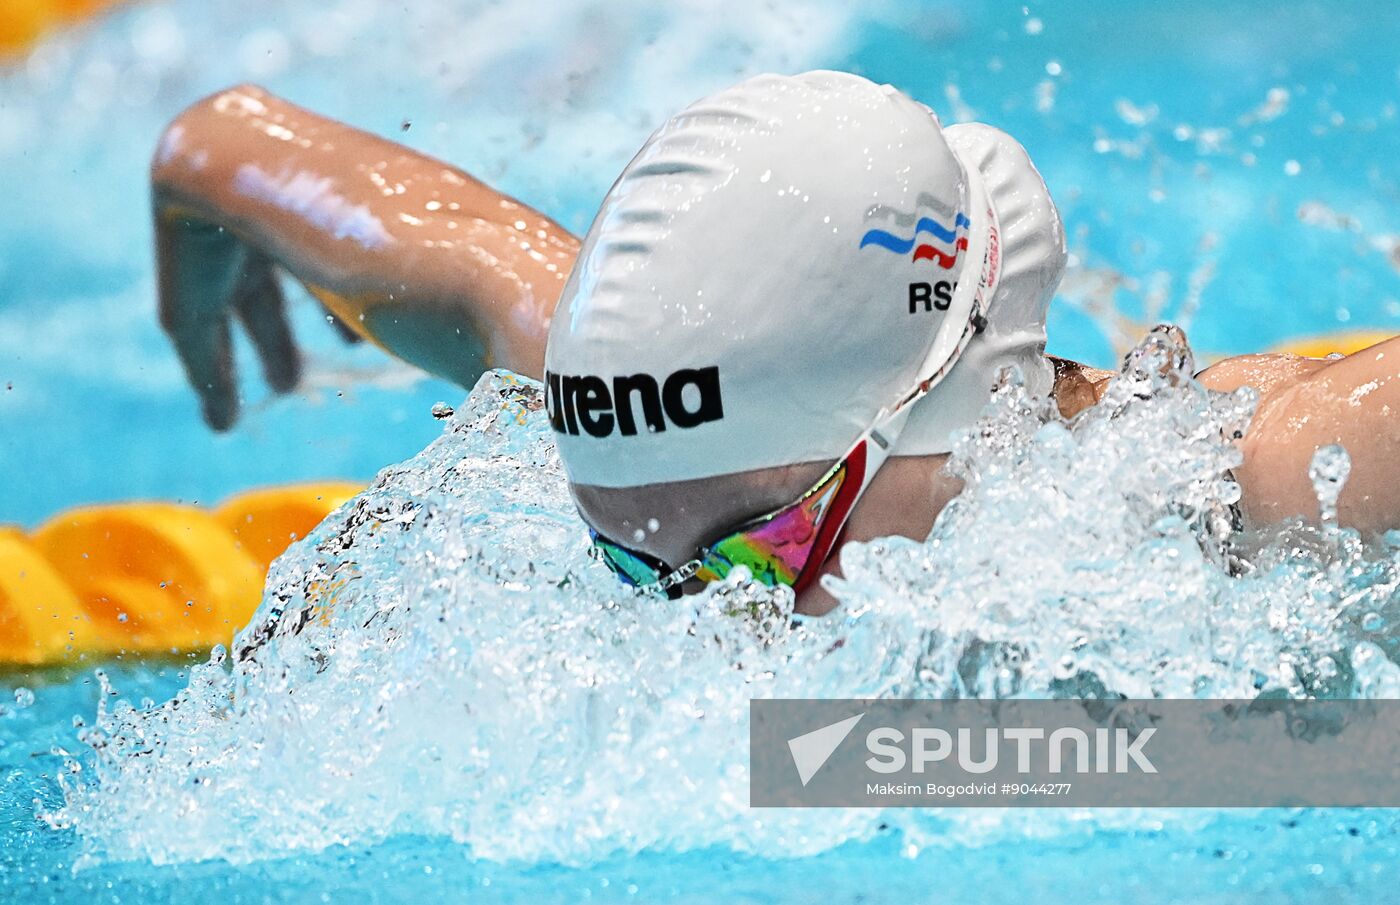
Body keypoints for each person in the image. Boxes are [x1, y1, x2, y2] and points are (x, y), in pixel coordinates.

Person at [152, 72, 1400, 615]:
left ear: (949, 396)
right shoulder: (691, 436)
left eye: (764, 552)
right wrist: (195, 184)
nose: (708, 621)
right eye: (634, 570)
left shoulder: (1279, 488)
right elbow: (241, 153)